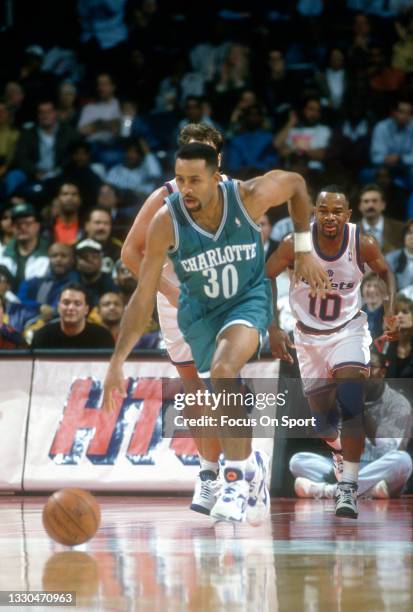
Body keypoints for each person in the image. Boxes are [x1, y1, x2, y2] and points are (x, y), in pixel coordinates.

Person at [103, 142, 329, 524]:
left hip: (246, 299)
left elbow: (296, 184)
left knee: (225, 370)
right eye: (180, 179)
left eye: (195, 180)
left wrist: (304, 250)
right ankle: (246, 466)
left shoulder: (248, 196)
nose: (186, 188)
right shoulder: (166, 219)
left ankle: (236, 480)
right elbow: (143, 296)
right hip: (198, 313)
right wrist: (117, 361)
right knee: (213, 392)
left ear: (215, 176)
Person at [267, 185, 397, 519]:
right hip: (308, 339)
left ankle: (348, 488)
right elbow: (264, 277)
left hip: (348, 331)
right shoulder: (295, 245)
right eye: (324, 210)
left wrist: (391, 309)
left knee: (351, 399)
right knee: (322, 424)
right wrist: (273, 327)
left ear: (348, 215)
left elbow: (385, 273)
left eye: (337, 211)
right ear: (315, 212)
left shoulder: (361, 243)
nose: (330, 217)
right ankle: (337, 450)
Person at [121, 123, 228, 516]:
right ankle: (208, 476)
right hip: (177, 302)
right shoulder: (164, 196)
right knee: (195, 391)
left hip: (222, 295)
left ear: (218, 160)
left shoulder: (236, 194)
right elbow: (130, 253)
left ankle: (238, 475)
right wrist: (170, 291)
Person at [291, 349, 412, 500]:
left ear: (382, 372)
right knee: (297, 461)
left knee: (403, 461)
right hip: (351, 469)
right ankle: (368, 491)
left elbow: (387, 449)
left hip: (378, 468)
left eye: (369, 368)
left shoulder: (398, 403)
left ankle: (328, 491)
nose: (362, 375)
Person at [31, 283, 114, 349]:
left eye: (77, 304)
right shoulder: (42, 336)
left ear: (86, 310)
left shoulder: (103, 337)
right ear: (59, 307)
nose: (71, 308)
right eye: (66, 303)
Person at [0, 202, 49, 290]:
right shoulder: (2, 254)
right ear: (12, 227)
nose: (22, 227)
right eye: (18, 224)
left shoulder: (50, 254)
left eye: (27, 223)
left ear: (37, 226)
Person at [357, 184, 404, 253]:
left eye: (375, 201)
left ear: (383, 205)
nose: (370, 205)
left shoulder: (400, 228)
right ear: (360, 206)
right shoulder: (350, 232)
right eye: (366, 201)